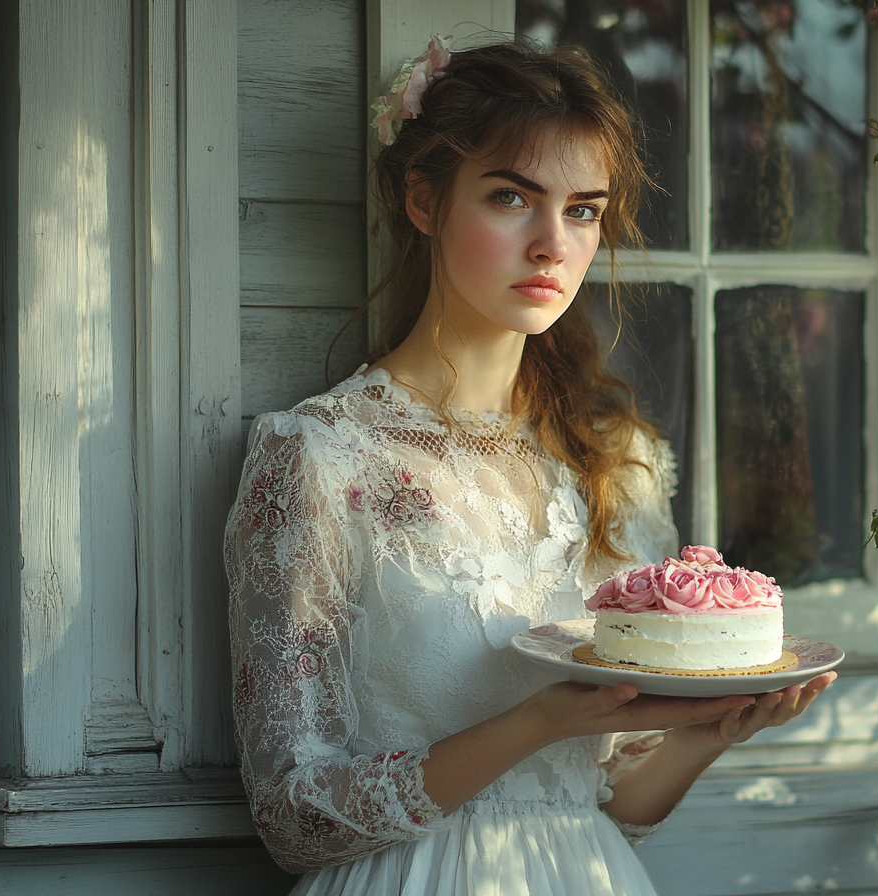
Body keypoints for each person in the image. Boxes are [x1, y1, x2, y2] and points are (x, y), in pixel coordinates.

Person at [225, 38, 835, 896]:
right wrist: (537, 722)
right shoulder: (319, 457)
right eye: (512, 196)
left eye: (584, 210)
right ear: (425, 200)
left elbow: (609, 805)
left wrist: (705, 736)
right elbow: (294, 817)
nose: (553, 243)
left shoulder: (619, 462)